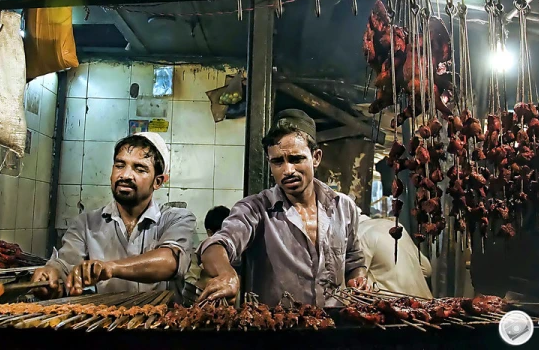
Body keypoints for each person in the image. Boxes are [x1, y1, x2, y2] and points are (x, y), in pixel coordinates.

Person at [198, 109, 368, 306]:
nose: (288, 170)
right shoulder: (256, 209)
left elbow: (355, 262)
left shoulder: (343, 207)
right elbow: (216, 244)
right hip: (276, 332)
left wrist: (358, 279)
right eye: (278, 162)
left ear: (316, 157)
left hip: (332, 329)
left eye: (296, 159)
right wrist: (226, 273)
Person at [32, 133, 196, 301]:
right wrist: (50, 276)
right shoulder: (86, 224)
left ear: (158, 182)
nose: (125, 175)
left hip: (162, 322)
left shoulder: (176, 219)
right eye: (119, 165)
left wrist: (110, 268)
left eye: (139, 169)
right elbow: (64, 268)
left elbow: (169, 261)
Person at [357, 209, 432, 299]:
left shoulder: (359, 235)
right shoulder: (395, 226)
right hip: (426, 305)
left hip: (395, 309)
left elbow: (357, 285)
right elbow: (427, 269)